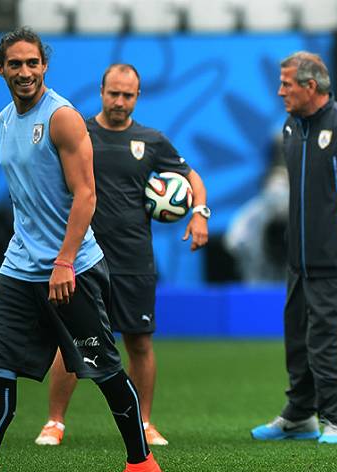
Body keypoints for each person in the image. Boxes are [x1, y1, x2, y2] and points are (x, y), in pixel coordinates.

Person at [0, 28, 161, 472]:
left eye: (33, 63)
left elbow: (86, 194)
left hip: (73, 269)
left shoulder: (63, 118)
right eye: (16, 64)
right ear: (1, 69)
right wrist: (32, 255)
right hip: (18, 269)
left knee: (103, 367)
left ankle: (142, 465)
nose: (25, 72)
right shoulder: (4, 119)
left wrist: (65, 261)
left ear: (44, 66)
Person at [33, 64, 210, 449]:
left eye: (127, 95)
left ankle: (144, 422)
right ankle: (54, 422)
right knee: (74, 342)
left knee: (140, 342)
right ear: (101, 91)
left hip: (134, 261)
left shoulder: (152, 140)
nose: (119, 101)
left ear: (137, 97)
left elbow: (192, 178)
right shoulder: (79, 133)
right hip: (83, 258)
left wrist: (199, 213)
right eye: (113, 93)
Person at [250, 52, 337, 444]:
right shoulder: (291, 126)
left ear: (310, 87)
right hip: (298, 258)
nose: (280, 91)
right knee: (297, 338)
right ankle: (299, 416)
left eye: (287, 84)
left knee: (330, 339)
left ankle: (336, 420)